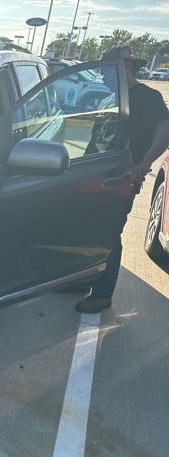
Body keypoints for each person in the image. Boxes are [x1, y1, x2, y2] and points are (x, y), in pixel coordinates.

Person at [76, 46, 169, 313]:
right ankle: (82, 276)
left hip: (118, 179)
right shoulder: (114, 97)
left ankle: (102, 294)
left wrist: (143, 164)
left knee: (107, 232)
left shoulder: (147, 97)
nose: (102, 77)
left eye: (106, 71)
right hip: (95, 173)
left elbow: (164, 130)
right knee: (84, 228)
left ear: (125, 69)